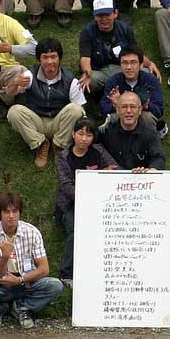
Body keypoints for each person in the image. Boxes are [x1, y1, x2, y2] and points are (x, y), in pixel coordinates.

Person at [0, 193, 65, 330]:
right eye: (6, 212)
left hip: (26, 280)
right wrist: (5, 257)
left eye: (15, 211)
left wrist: (20, 280)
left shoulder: (32, 232)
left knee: (55, 285)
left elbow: (44, 269)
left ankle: (22, 307)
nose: (11, 216)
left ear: (20, 212)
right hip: (0, 282)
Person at [54, 118, 118, 283]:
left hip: (99, 202)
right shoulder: (63, 157)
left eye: (89, 135)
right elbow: (67, 187)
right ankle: (66, 274)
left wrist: (108, 172)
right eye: (80, 134)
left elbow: (116, 169)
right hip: (71, 205)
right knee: (76, 232)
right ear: (73, 134)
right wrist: (88, 199)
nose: (84, 139)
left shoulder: (98, 151)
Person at [6, 37, 87, 167]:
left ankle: (59, 145)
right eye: (45, 57)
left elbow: (81, 111)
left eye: (53, 57)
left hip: (59, 123)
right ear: (39, 59)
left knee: (76, 110)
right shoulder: (29, 75)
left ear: (59, 58)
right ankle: (40, 144)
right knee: (14, 111)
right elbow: (9, 95)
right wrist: (15, 83)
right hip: (36, 121)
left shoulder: (71, 80)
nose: (49, 61)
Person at [77, 0, 159, 96]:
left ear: (115, 13)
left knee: (149, 73)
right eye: (100, 15)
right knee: (90, 81)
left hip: (122, 68)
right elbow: (85, 58)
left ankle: (130, 95)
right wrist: (87, 73)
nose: (104, 19)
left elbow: (135, 53)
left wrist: (150, 64)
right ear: (94, 16)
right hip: (99, 71)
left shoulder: (125, 29)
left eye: (107, 14)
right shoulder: (87, 31)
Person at [100, 91, 166, 171]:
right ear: (117, 110)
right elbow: (98, 154)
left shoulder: (151, 134)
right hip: (115, 177)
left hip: (142, 177)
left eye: (133, 107)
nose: (128, 111)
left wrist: (151, 170)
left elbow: (159, 158)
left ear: (140, 110)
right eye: (124, 107)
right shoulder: (106, 133)